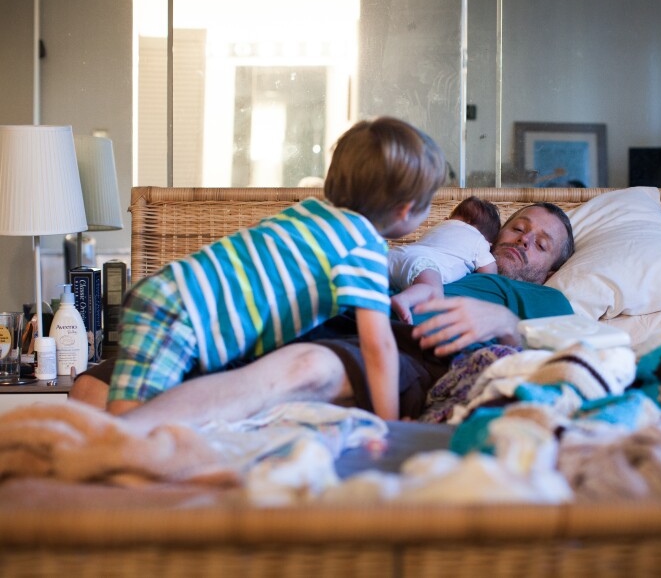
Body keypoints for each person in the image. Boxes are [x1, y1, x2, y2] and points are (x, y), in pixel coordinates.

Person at [71, 199, 575, 432]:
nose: (523, 241)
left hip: (413, 348)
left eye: (541, 243)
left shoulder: (548, 299)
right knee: (94, 387)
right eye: (518, 228)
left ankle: (122, 441)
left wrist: (501, 323)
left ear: (554, 266)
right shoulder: (446, 256)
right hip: (337, 314)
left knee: (308, 368)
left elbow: (562, 346)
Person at [101, 116, 447, 422]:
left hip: (168, 293)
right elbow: (379, 347)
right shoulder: (364, 247)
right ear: (405, 211)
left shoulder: (310, 211)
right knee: (133, 427)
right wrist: (389, 426)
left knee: (139, 419)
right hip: (184, 314)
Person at [389, 196, 500, 324]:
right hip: (423, 264)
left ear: (447, 219)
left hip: (397, 253)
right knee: (433, 290)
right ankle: (404, 299)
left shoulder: (441, 225)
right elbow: (490, 274)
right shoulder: (480, 241)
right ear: (489, 242)